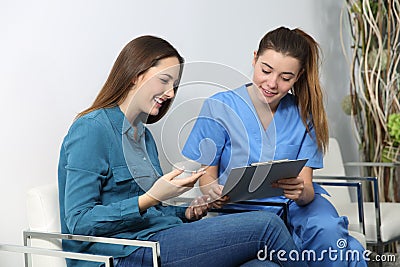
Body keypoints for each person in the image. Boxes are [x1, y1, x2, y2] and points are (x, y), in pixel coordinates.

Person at [58, 35, 307, 267]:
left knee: (262, 264)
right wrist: (152, 197)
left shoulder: (142, 136)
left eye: (174, 86)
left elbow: (150, 214)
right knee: (268, 226)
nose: (170, 94)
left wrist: (188, 211)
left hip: (158, 237)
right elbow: (79, 222)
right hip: (122, 253)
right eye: (164, 81)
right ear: (135, 74)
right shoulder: (91, 129)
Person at [182, 26, 368, 266]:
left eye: (285, 78)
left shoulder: (305, 114)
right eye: (265, 70)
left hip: (299, 208)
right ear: (254, 59)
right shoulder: (219, 107)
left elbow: (307, 189)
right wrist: (212, 193)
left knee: (329, 232)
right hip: (243, 214)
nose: (272, 83)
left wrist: (300, 192)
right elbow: (207, 177)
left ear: (298, 77)